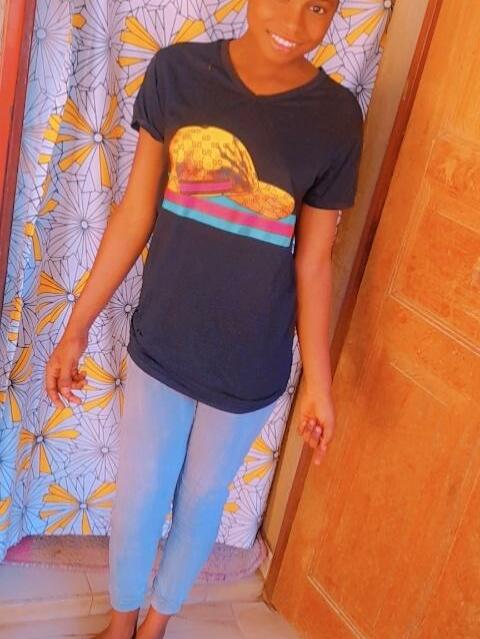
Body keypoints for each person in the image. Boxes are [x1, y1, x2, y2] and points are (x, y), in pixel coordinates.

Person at [45, 0, 363, 637]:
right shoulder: (177, 74)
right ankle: (120, 624)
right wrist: (76, 327)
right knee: (139, 496)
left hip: (251, 365)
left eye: (318, 8)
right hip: (163, 343)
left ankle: (156, 626)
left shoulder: (335, 117)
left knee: (200, 502)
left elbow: (314, 263)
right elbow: (135, 213)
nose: (295, 24)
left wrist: (320, 386)